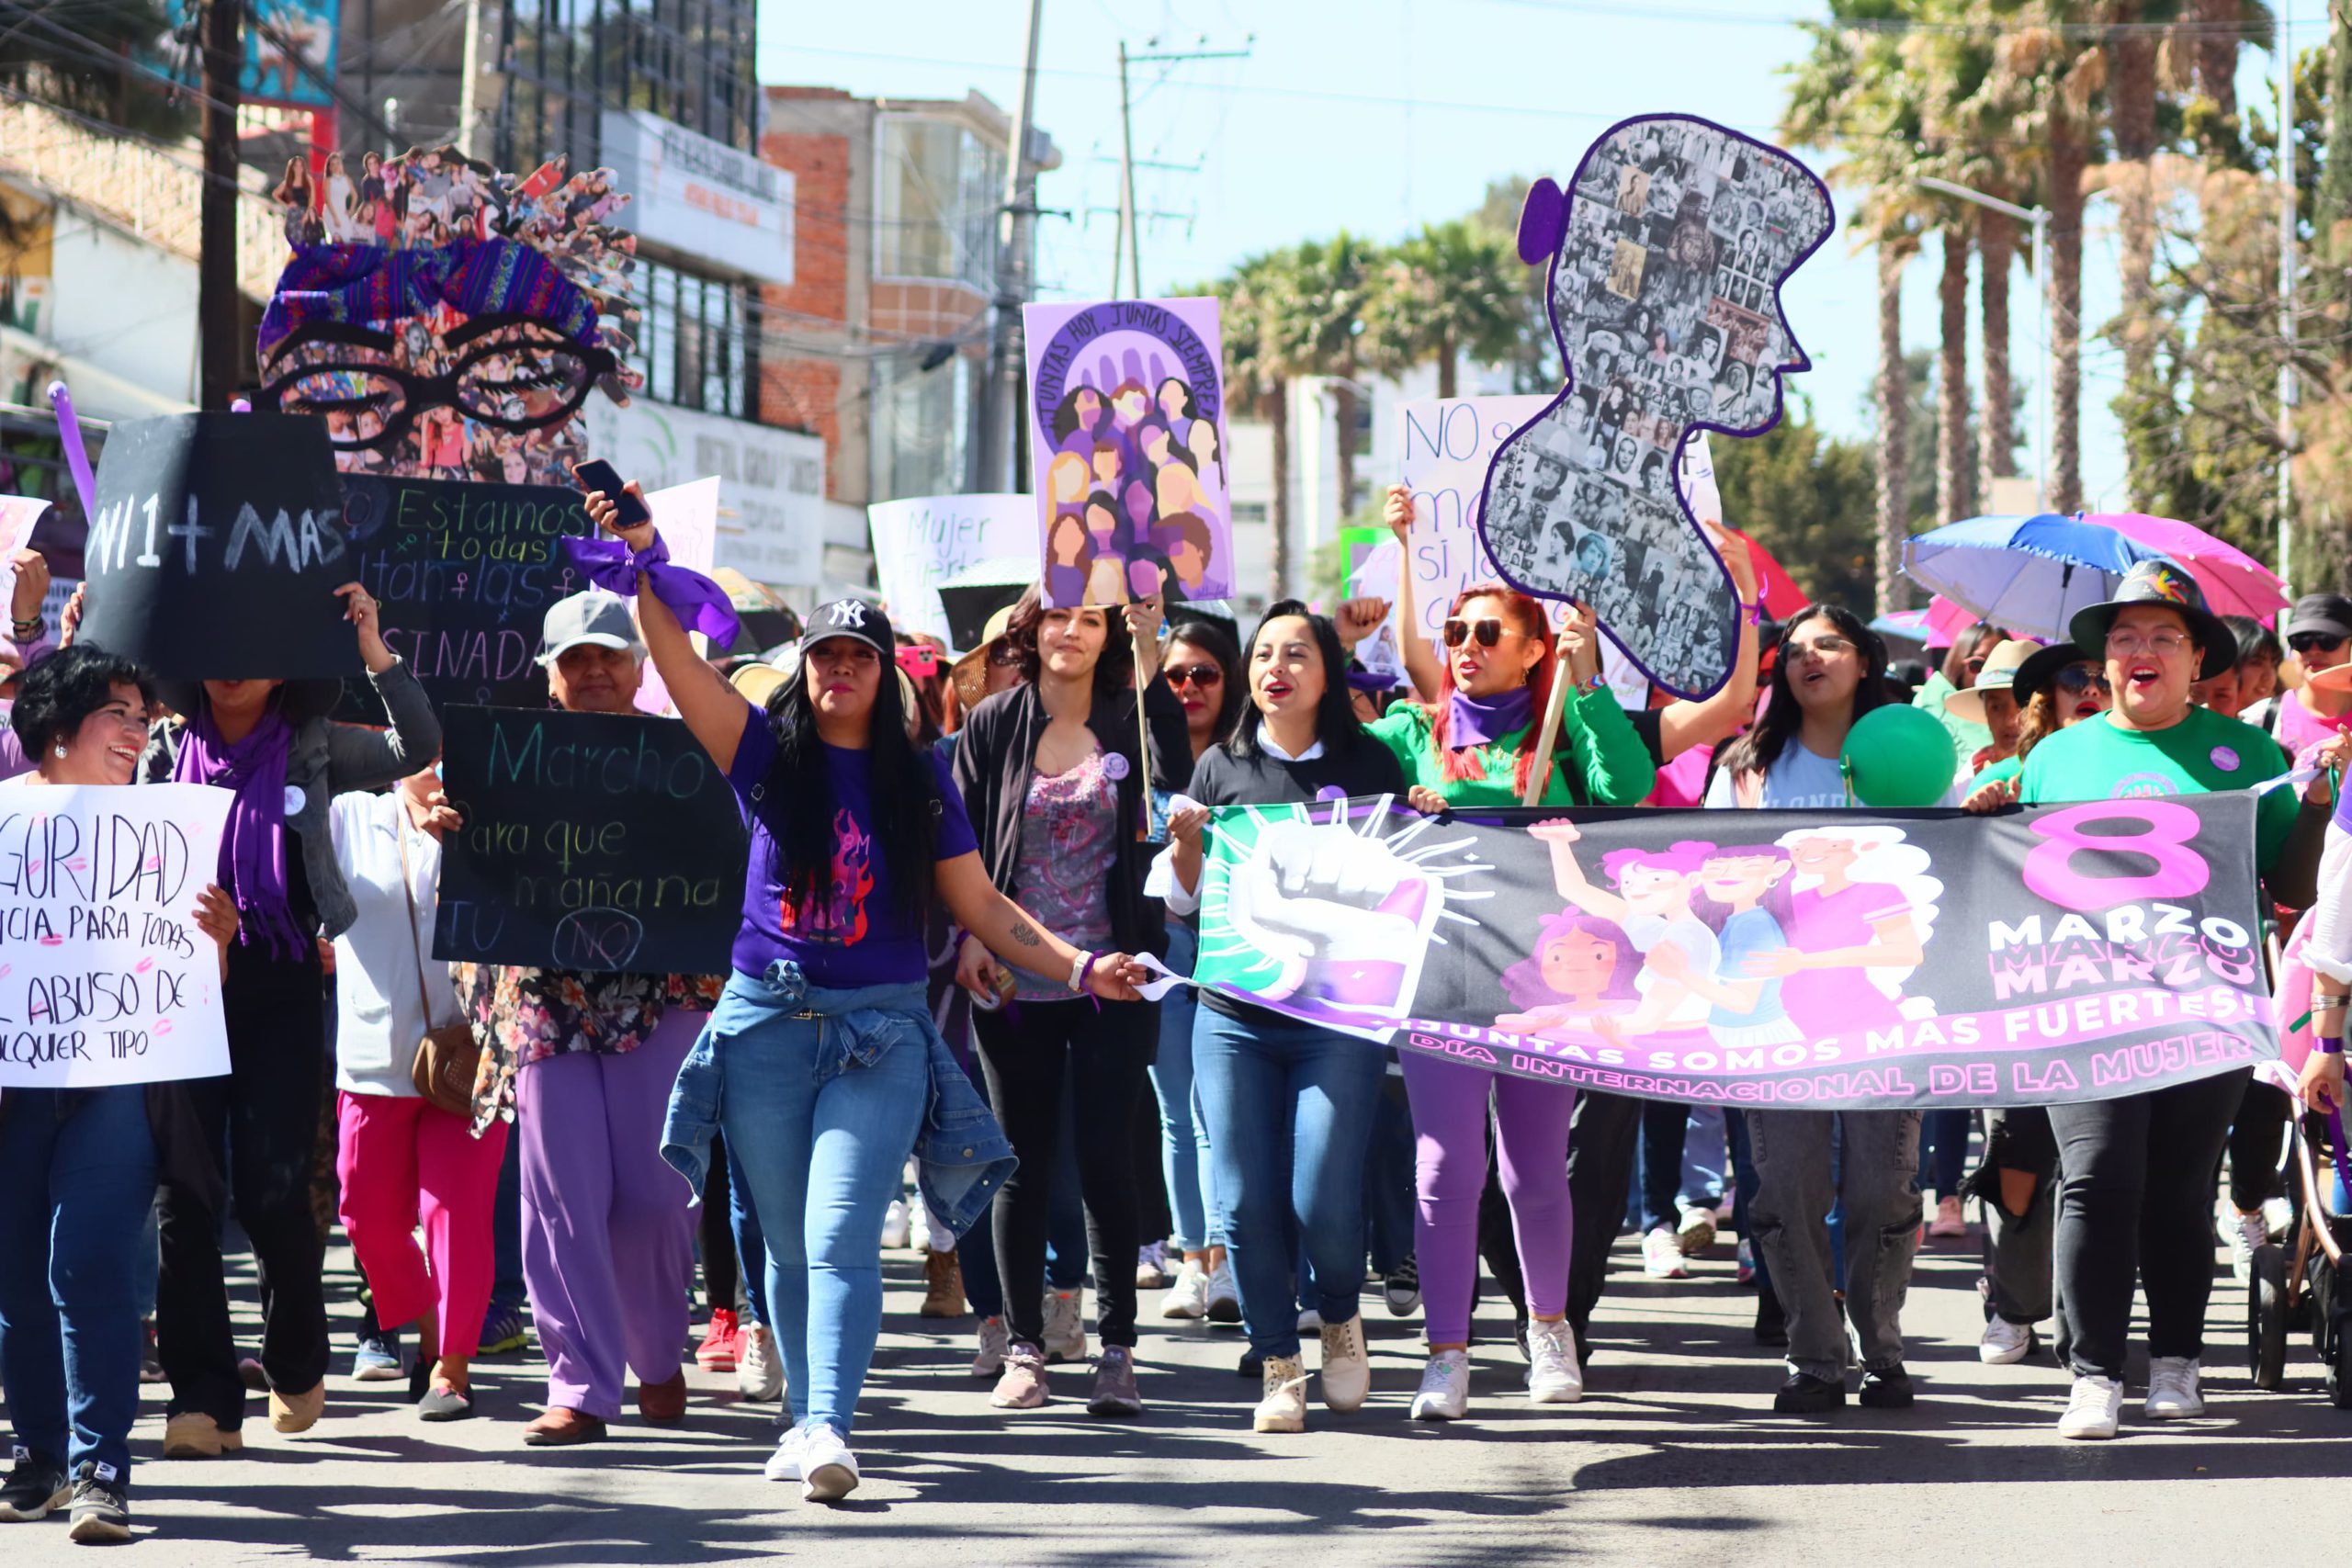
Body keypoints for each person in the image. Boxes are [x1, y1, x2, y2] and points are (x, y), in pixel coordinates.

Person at [583, 481, 1149, 1502]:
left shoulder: (925, 777)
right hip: (763, 1025)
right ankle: (806, 1414)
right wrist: (643, 563)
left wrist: (1074, 966)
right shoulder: (761, 755)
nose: (840, 670)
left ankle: (829, 1425)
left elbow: (980, 903)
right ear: (804, 671)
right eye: (825, 656)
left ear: (884, 676)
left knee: (842, 1230)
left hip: (880, 1034)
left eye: (859, 657)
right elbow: (675, 660)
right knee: (790, 1245)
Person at [1984, 559, 2328, 1438]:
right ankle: (2093, 1373)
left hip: (2204, 1001)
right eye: (2125, 637)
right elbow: (2011, 883)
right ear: (2102, 662)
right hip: (2085, 1004)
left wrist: (2318, 805)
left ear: (2193, 658)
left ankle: (2177, 1361)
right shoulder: (2057, 755)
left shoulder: (2248, 754)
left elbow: (2286, 884)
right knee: (2095, 1179)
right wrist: (1989, 816)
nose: (2143, 651)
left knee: (2178, 1189)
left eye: (2163, 638)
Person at [1366, 507, 1657, 1420]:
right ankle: (1445, 1354)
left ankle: (1548, 1329)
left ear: (1535, 647)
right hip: (1440, 977)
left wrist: (1591, 676)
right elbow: (1325, 784)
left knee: (1535, 1172)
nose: (1464, 645)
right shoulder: (1414, 731)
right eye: (1454, 631)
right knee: (1444, 1169)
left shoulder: (1562, 723)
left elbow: (1630, 791)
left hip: (1542, 978)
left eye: (1486, 632)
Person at [146, 581, 441, 1459]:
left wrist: (375, 650)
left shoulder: (315, 745)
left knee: (276, 1192)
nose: (234, 667)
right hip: (179, 983)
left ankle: (295, 1357)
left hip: (278, 981)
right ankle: (202, 1399)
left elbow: (415, 746)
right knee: (183, 1197)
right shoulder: (159, 747)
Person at [450, 589, 718, 1449]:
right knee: (561, 1198)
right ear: (551, 676)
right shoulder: (504, 759)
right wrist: (441, 818)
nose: (594, 669)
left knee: (656, 1191)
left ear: (640, 669)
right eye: (576, 659)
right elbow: (448, 833)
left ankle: (656, 1349)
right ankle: (579, 1382)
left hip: (664, 991)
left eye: (609, 654)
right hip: (545, 1001)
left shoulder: (687, 754)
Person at [0, 646, 238, 1543]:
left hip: (119, 1085)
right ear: (59, 730)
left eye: (145, 716)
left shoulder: (163, 832)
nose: (140, 731)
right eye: (120, 714)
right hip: (17, 1090)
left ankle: (102, 1468)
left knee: (88, 1264)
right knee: (18, 1278)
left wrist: (218, 935)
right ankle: (42, 1459)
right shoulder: (5, 823)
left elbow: (190, 987)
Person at [1156, 602, 1408, 1431]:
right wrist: (1186, 840)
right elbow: (1186, 903)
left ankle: (1339, 1312)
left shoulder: (1374, 764)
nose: (1276, 668)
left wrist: (1427, 815)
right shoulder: (1218, 770)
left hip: (1337, 1015)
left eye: (1296, 653)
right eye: (1263, 654)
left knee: (1322, 1195)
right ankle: (1278, 1362)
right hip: (1232, 1013)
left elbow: (1405, 883)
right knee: (1244, 1198)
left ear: (1326, 672)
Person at [950, 586, 1189, 1416]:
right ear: (1032, 629)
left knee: (1106, 1159)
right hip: (1013, 980)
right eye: (1058, 615)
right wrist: (972, 934)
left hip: (1116, 980)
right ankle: (1025, 1347)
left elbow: (1175, 813)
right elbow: (964, 847)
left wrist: (1153, 634)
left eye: (1091, 618)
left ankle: (1117, 1346)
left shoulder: (1138, 720)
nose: (1072, 631)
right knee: (1017, 1160)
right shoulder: (992, 724)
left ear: (1107, 635)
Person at [1707, 605, 1927, 1414]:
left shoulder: (1919, 757)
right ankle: (1814, 1358)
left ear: (1865, 662)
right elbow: (1705, 881)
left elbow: (1958, 867)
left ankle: (1883, 1349)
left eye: (1828, 643)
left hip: (1881, 1019)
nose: (1810, 659)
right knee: (1786, 1187)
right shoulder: (1743, 771)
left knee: (1883, 1190)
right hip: (1774, 1020)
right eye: (1793, 650)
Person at [326, 766, 506, 1422]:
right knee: (365, 1212)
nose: (436, 758)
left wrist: (465, 845)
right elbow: (308, 892)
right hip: (376, 1058)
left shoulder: (500, 812)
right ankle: (428, 1325)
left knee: (455, 1212)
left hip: (473, 1055)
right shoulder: (349, 813)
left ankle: (451, 1364)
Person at [1153, 617, 1247, 1325]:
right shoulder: (1143, 755)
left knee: (1222, 1115)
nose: (1188, 687)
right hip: (1161, 946)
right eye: (1174, 675)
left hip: (1232, 947)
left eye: (1205, 674)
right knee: (1176, 1113)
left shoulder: (1245, 759)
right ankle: (1191, 1256)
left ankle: (1228, 1261)